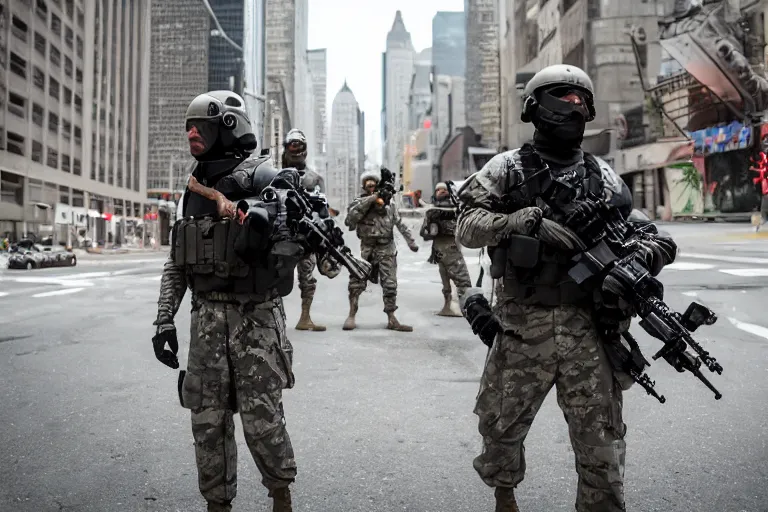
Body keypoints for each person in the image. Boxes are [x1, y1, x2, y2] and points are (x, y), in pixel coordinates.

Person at [456, 65, 675, 512]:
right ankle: (505, 495)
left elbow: (645, 234)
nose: (573, 107)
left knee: (602, 444)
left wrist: (644, 255)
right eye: (563, 98)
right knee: (501, 428)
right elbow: (466, 225)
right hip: (523, 325)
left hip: (590, 330)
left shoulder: (605, 176)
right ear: (537, 108)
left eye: (580, 100)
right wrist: (521, 222)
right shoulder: (507, 169)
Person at [151, 91, 331, 512]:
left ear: (227, 128)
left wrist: (274, 231)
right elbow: (178, 261)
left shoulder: (263, 177)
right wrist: (164, 321)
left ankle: (281, 498)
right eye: (189, 126)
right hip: (206, 324)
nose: (191, 132)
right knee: (207, 424)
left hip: (256, 322)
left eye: (201, 126)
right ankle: (218, 504)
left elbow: (303, 245)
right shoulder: (194, 188)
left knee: (263, 423)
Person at [343, 170, 419, 331]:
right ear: (364, 186)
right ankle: (351, 315)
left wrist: (411, 242)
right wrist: (370, 200)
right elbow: (349, 221)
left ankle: (392, 318)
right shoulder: (360, 203)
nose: (371, 185)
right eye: (367, 183)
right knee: (356, 282)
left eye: (373, 183)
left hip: (386, 248)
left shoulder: (389, 205)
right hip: (367, 249)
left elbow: (400, 224)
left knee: (390, 284)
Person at [281, 128, 328, 331]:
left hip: (306, 237)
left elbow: (324, 213)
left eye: (298, 145)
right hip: (281, 235)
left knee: (307, 278)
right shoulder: (274, 175)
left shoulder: (315, 179)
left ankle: (305, 317)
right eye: (292, 145)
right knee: (273, 278)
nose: (295, 149)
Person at [420, 182, 472, 316]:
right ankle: (456, 307)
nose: (442, 192)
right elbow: (424, 234)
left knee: (454, 279)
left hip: (445, 249)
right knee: (455, 280)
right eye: (439, 190)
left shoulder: (450, 210)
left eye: (444, 190)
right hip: (445, 250)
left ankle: (457, 306)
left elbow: (425, 234)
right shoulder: (437, 211)